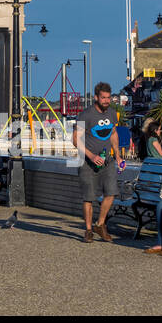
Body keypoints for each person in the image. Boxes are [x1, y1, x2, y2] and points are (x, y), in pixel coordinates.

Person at [74, 82, 120, 244]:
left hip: (107, 161)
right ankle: (88, 230)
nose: (107, 100)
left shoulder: (113, 114)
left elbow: (113, 134)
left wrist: (118, 155)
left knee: (111, 192)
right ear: (96, 97)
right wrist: (91, 156)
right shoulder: (85, 115)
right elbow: (75, 140)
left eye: (109, 97)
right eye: (103, 98)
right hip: (87, 162)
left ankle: (100, 224)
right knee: (89, 197)